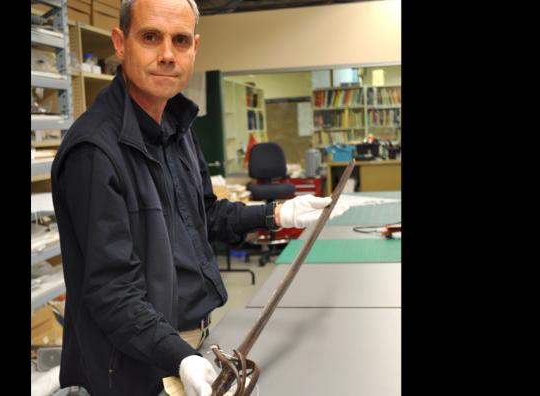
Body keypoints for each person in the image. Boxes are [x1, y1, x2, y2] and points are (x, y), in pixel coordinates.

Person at [50, 1, 348, 395]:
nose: (168, 55)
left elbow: (203, 215)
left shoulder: (177, 126)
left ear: (195, 47)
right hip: (133, 367)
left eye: (181, 40)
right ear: (120, 43)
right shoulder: (95, 152)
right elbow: (111, 292)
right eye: (151, 37)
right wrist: (179, 357)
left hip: (188, 344)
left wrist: (277, 213)